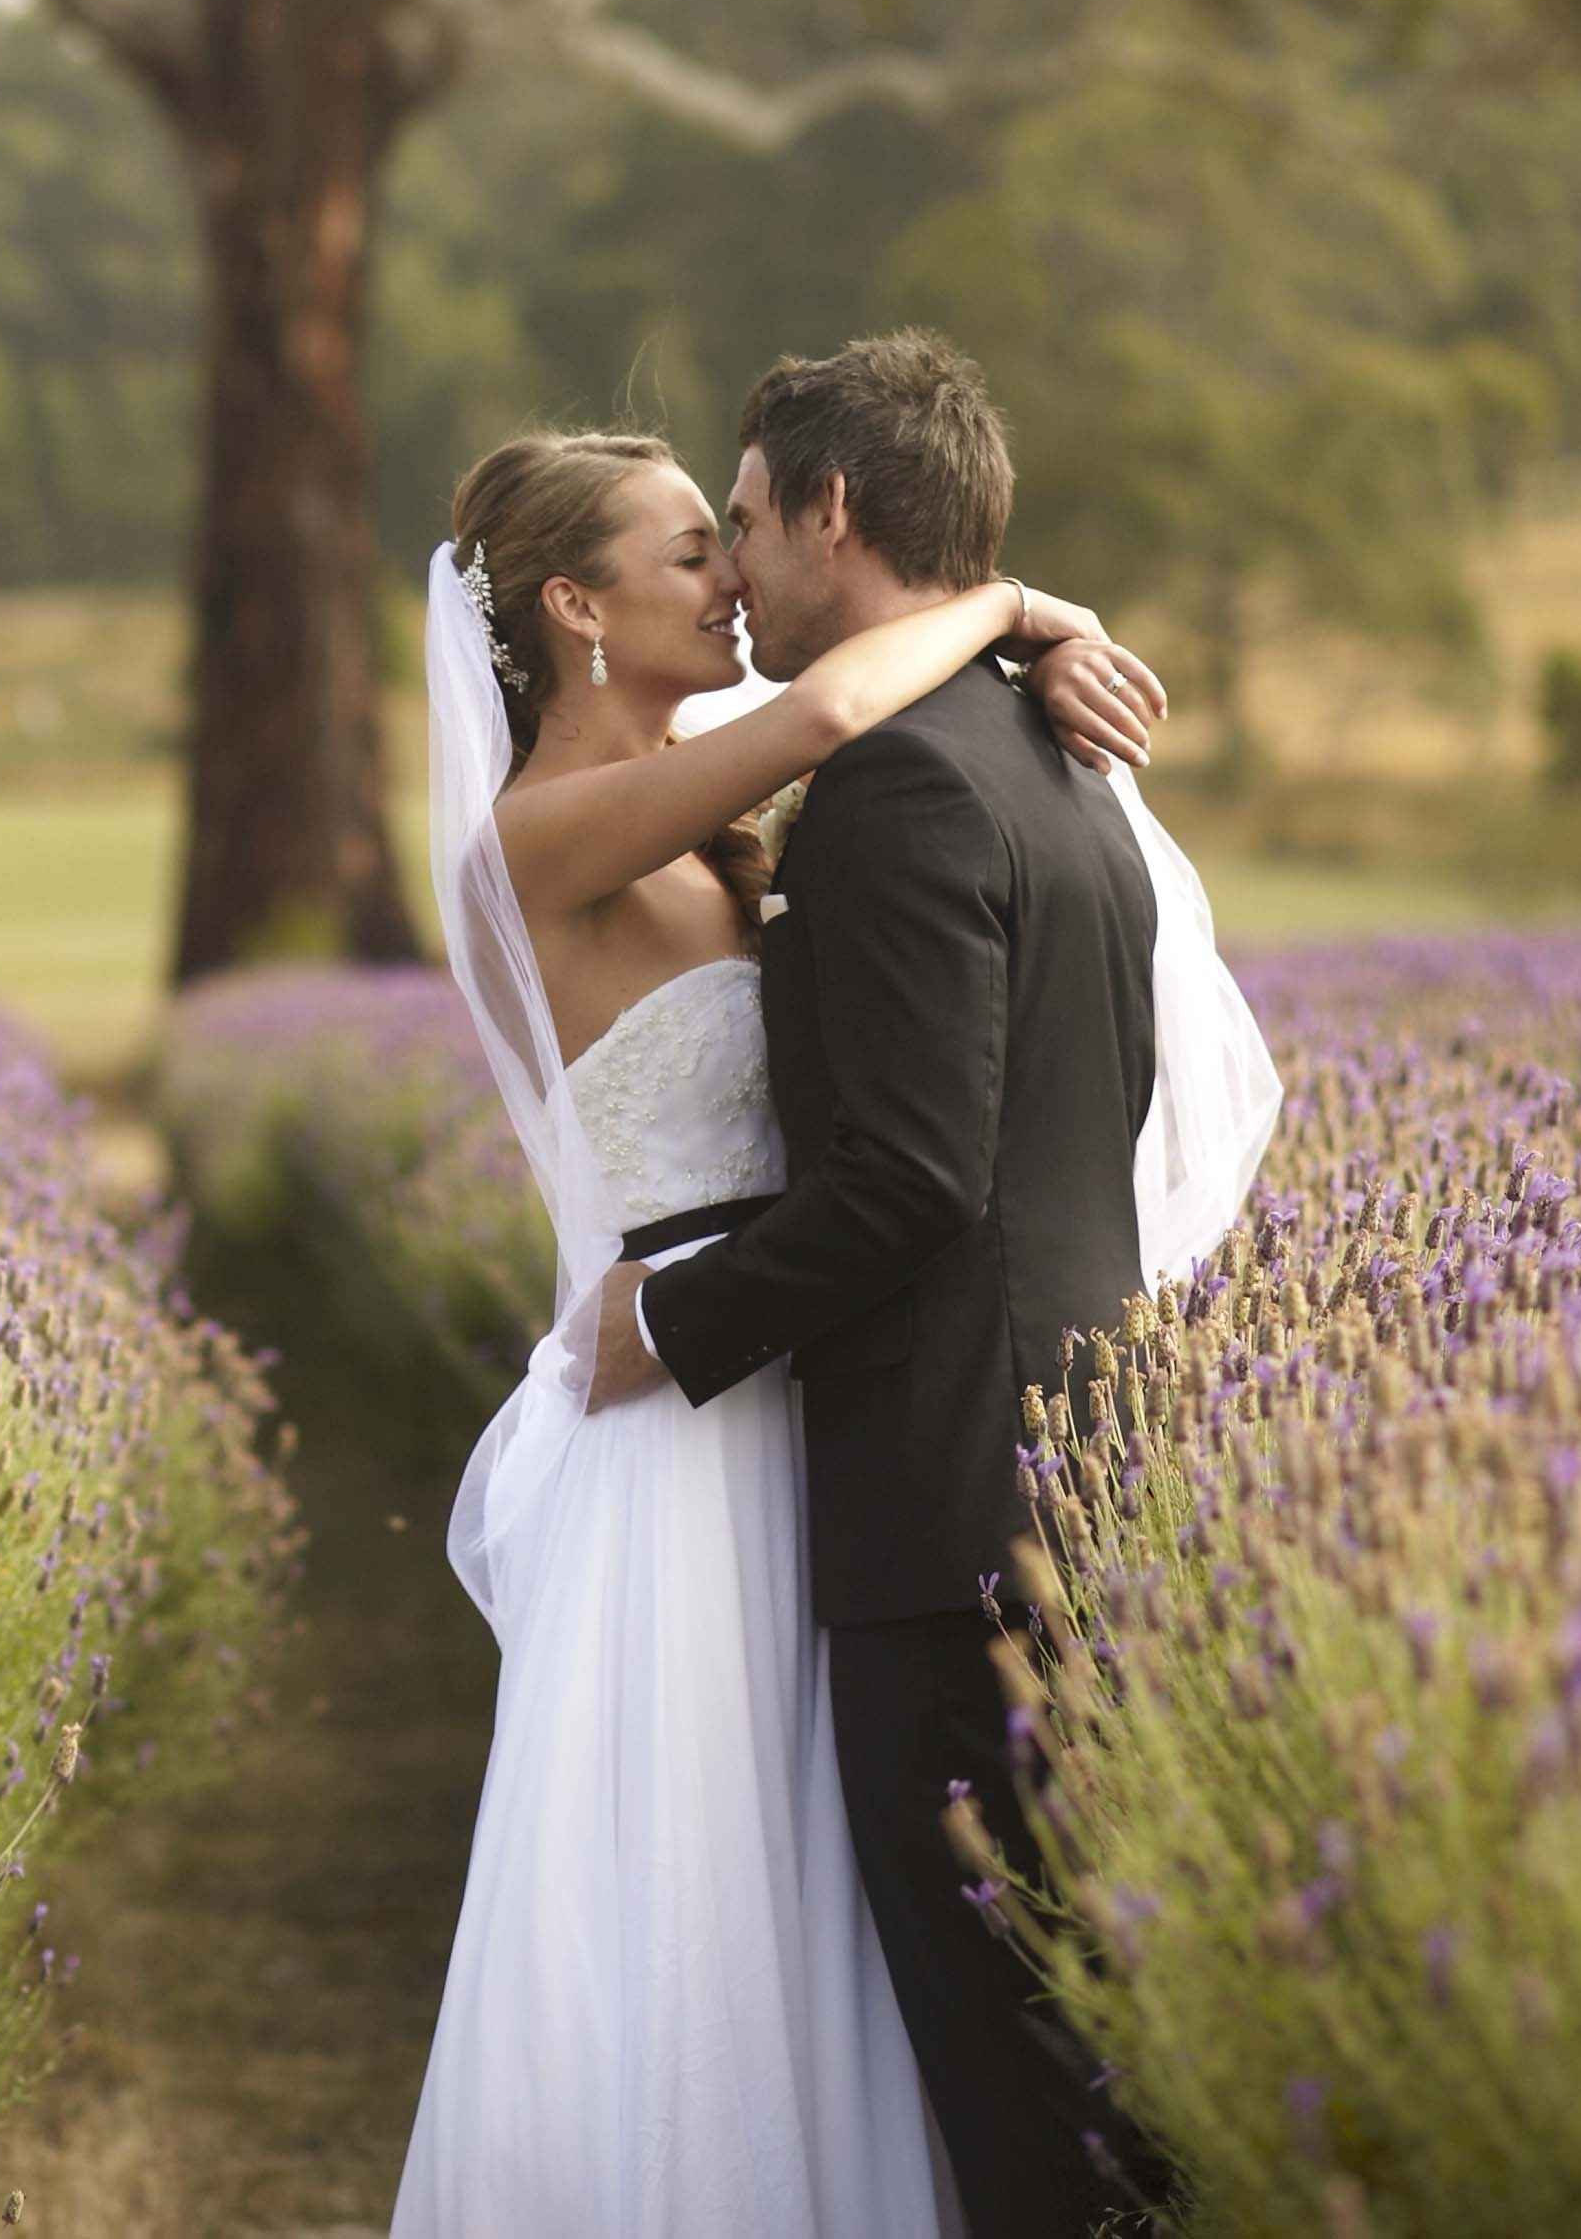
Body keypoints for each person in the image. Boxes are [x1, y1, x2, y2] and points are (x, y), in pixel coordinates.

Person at [392, 338, 1277, 2237]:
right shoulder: (548, 834)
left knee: (854, 1922)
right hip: (695, 1398)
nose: (724, 579)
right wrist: (1024, 605)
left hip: (816, 1398)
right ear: (573, 605)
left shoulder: (742, 835)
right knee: (705, 1893)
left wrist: (1007, 622)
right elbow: (817, 719)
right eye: (684, 548)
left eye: (735, 531)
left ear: (829, 516)